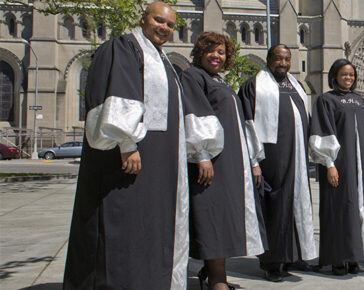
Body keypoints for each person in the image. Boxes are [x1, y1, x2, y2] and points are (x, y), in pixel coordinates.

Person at [63, 2, 191, 289]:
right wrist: (127, 143)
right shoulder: (122, 47)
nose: (165, 28)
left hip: (159, 160)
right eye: (159, 20)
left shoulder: (162, 59)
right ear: (143, 19)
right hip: (130, 157)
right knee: (120, 224)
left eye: (170, 25)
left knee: (147, 225)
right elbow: (119, 92)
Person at [181, 31, 268, 290]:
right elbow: (195, 115)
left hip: (232, 162)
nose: (216, 56)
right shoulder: (193, 76)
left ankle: (212, 271)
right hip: (212, 163)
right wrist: (202, 155)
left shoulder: (219, 81)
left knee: (226, 217)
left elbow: (239, 124)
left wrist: (253, 160)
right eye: (211, 50)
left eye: (221, 52)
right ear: (200, 52)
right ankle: (218, 280)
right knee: (214, 218)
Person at [237, 44, 317, 282]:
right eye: (278, 59)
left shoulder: (296, 85)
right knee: (275, 208)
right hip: (272, 160)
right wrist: (254, 160)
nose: (282, 63)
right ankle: (272, 262)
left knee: (298, 204)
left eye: (286, 59)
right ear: (268, 59)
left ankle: (294, 256)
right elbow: (247, 125)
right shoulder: (254, 86)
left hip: (298, 160)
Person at [309, 59, 364, 275]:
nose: (348, 78)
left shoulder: (359, 101)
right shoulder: (326, 100)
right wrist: (329, 164)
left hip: (362, 165)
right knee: (339, 209)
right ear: (334, 76)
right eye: (344, 75)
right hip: (339, 164)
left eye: (351, 75)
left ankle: (355, 257)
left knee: (360, 209)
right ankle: (337, 258)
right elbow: (322, 132)